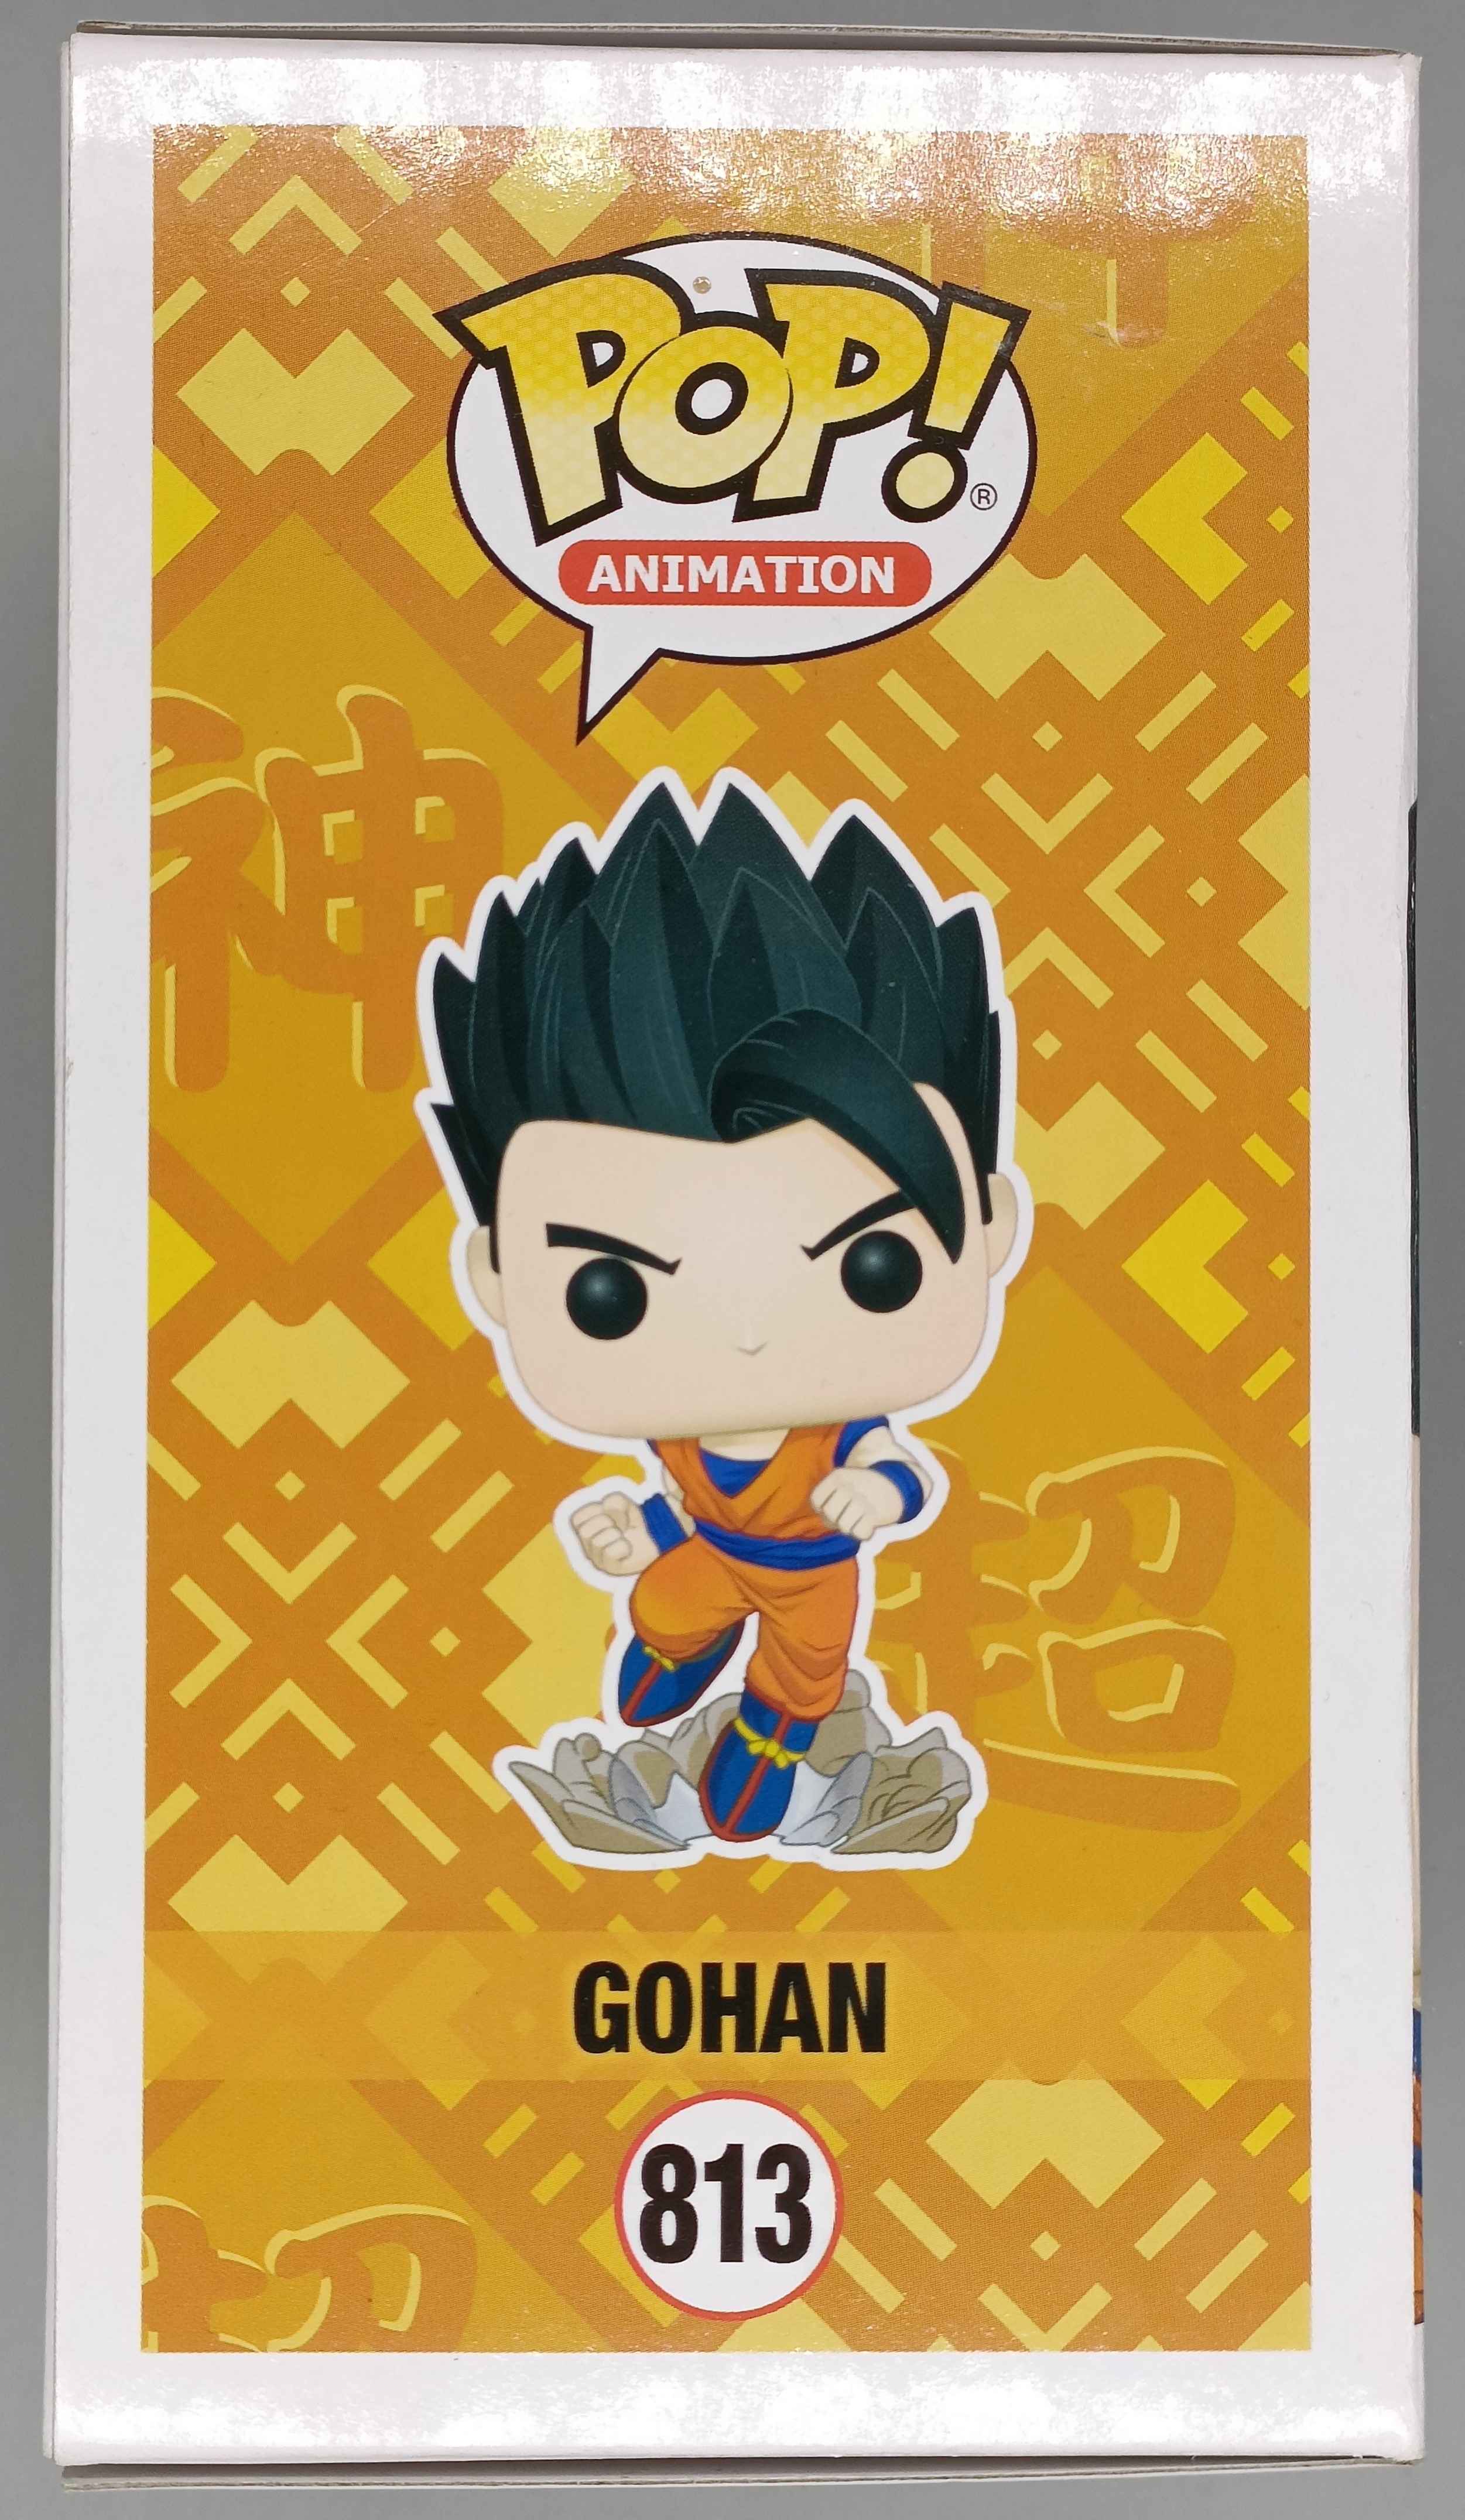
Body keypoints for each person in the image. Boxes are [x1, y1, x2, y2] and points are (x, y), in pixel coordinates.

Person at [421, 772, 1020, 1845]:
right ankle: (677, 1651)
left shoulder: (840, 1429)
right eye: (610, 1293)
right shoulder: (676, 1429)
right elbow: (682, 1501)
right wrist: (632, 1529)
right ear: (497, 1279)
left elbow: (898, 1473)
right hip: (709, 1553)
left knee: (805, 1668)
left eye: (873, 1265)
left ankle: (770, 1737)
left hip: (812, 1576)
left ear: (989, 1225)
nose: (747, 1336)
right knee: (662, 1601)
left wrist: (873, 1495)